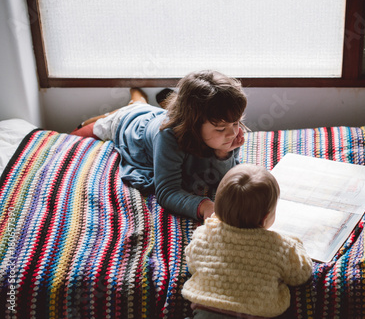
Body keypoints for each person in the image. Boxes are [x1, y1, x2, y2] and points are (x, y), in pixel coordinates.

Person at [70, 70, 247, 220]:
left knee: (142, 106)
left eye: (235, 123)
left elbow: (221, 177)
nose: (232, 133)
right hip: (128, 122)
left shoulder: (228, 131)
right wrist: (204, 206)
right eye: (221, 128)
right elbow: (167, 192)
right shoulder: (168, 136)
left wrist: (224, 154)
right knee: (81, 132)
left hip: (157, 116)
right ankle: (136, 99)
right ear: (193, 124)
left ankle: (144, 100)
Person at [182, 164, 313, 319]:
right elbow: (301, 275)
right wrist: (296, 244)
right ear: (265, 218)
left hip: (205, 313)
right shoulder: (280, 247)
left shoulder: (204, 235)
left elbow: (192, 264)